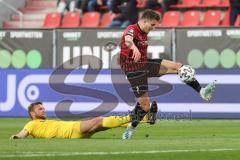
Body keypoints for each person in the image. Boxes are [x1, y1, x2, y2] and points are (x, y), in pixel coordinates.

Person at [119, 9, 216, 139]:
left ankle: (201, 91)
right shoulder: (132, 29)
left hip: (144, 63)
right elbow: (128, 39)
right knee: (145, 106)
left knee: (179, 67)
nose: (154, 28)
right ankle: (130, 128)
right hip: (133, 70)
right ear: (144, 20)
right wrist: (134, 48)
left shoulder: (144, 33)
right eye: (152, 25)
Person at [10, 102, 134, 139]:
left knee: (99, 124)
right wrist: (16, 136)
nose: (43, 110)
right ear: (32, 113)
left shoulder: (44, 122)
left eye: (43, 108)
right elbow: (22, 134)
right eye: (40, 109)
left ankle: (129, 125)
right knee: (98, 121)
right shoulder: (31, 124)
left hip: (73, 129)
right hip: (70, 131)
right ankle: (132, 117)